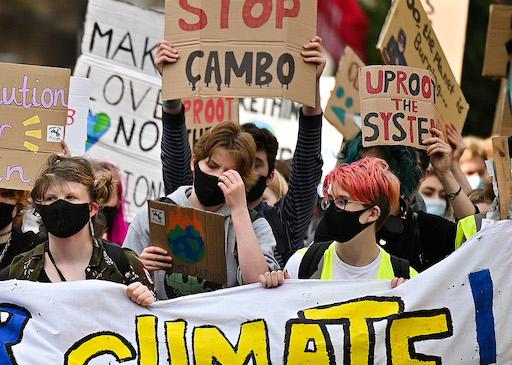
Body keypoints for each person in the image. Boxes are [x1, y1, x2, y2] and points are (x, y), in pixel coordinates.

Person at [154, 36, 325, 266]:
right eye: (228, 165)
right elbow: (175, 159)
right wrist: (172, 92)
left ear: (270, 176)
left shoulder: (281, 222)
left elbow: (307, 168)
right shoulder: (193, 204)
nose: (231, 175)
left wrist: (310, 88)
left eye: (255, 164)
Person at [125, 122, 280, 299]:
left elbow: (258, 285)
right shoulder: (152, 215)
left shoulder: (255, 225)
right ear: (194, 162)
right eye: (212, 166)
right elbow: (121, 279)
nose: (217, 176)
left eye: (229, 173)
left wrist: (239, 210)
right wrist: (139, 267)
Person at [0, 156, 155, 305]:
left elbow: (157, 321)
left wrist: (146, 300)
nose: (60, 205)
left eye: (70, 197)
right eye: (51, 198)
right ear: (40, 207)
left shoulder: (123, 264)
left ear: (92, 209)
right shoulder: (17, 273)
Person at [260, 158, 414, 288]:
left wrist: (409, 301)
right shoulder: (301, 264)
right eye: (330, 200)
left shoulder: (405, 279)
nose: (333, 208)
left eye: (342, 201)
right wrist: (273, 287)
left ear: (372, 214)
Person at [324, 130, 463, 271]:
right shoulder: (334, 225)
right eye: (359, 169)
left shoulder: (426, 229)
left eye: (379, 167)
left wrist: (446, 173)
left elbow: (479, 240)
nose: (368, 177)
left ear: (401, 173)